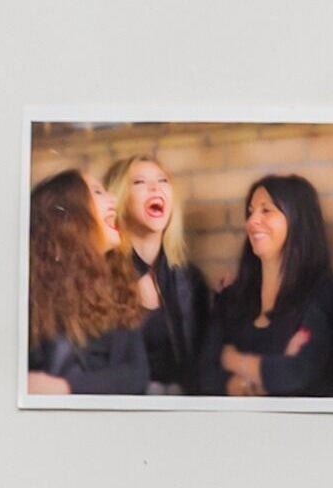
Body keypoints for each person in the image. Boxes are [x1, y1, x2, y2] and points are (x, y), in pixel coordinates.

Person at [196, 173, 333, 399]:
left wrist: (233, 360)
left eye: (266, 210)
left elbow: (299, 375)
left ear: (297, 219)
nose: (251, 221)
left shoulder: (323, 294)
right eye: (250, 212)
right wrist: (244, 385)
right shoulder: (233, 297)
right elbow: (202, 375)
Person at [26, 172, 150, 397]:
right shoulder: (32, 289)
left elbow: (136, 374)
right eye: (97, 192)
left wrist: (67, 388)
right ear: (69, 213)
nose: (113, 199)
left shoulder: (120, 285)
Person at [99, 152, 209, 395]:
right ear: (119, 198)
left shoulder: (191, 280)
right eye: (139, 183)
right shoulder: (99, 277)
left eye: (163, 181)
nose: (155, 188)